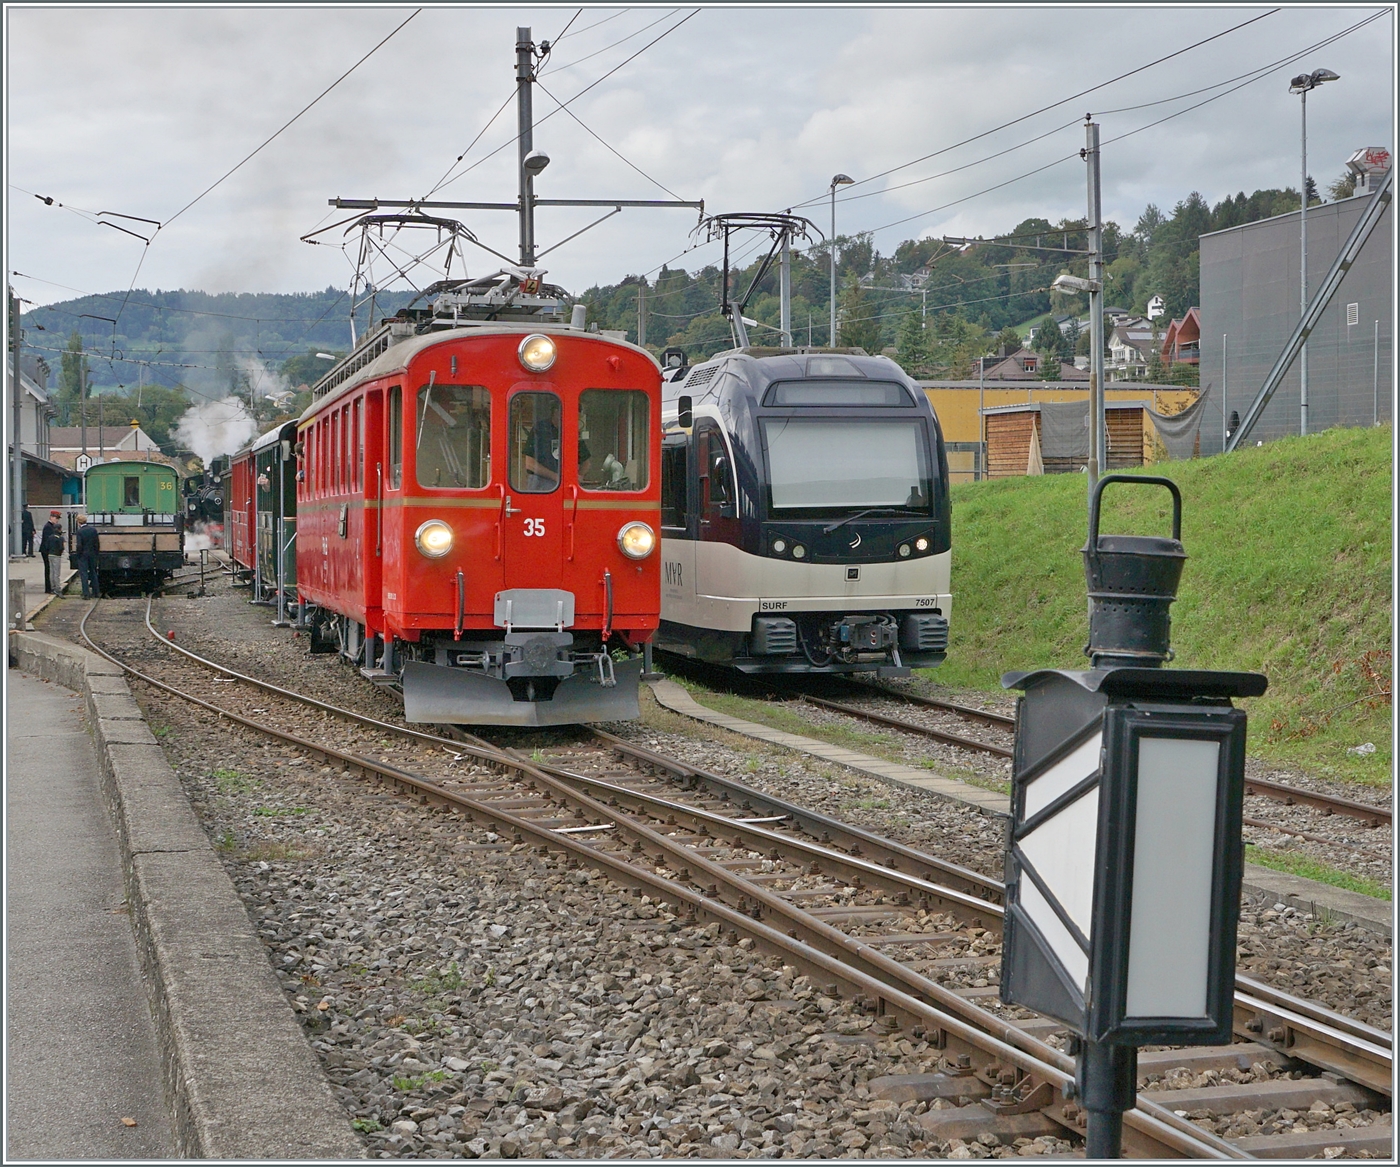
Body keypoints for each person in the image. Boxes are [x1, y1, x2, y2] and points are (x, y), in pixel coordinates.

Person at [74, 514, 100, 599]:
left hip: (83, 555)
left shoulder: (80, 532)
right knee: (93, 572)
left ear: (78, 522)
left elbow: (79, 545)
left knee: (84, 574)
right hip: (92, 554)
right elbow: (97, 543)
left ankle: (86, 594)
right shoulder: (93, 530)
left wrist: (78, 554)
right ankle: (96, 592)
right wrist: (96, 553)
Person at [40, 510, 65, 594]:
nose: (57, 520)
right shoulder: (48, 527)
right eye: (56, 518)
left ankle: (50, 587)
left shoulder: (51, 526)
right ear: (51, 517)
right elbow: (48, 540)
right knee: (49, 569)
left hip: (48, 550)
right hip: (47, 551)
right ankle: (49, 587)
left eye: (58, 518)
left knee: (50, 569)